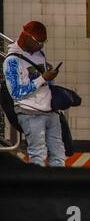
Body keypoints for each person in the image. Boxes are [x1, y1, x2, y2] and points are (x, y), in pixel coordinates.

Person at [3, 21, 65, 167]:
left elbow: (43, 83)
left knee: (58, 155)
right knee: (37, 155)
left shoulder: (39, 54)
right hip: (30, 113)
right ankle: (38, 188)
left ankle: (58, 188)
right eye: (38, 42)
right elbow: (16, 92)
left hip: (50, 111)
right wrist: (43, 78)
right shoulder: (12, 61)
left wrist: (48, 76)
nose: (41, 45)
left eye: (44, 42)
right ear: (27, 37)